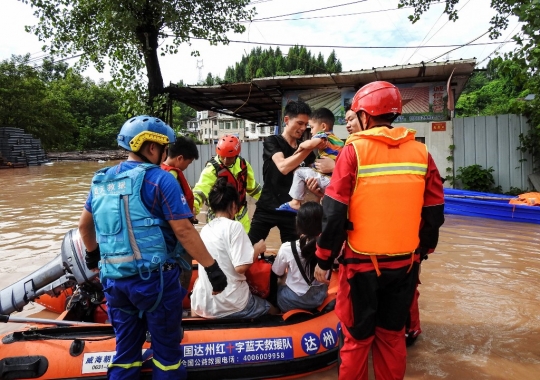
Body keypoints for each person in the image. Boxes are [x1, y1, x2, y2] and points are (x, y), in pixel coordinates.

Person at [78, 115, 227, 380]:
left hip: (114, 282)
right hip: (154, 282)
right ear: (151, 147)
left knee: (125, 354)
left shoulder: (101, 180)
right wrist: (212, 268)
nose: (165, 154)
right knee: (167, 356)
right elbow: (183, 230)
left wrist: (93, 257)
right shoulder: (160, 180)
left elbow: (84, 228)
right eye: (164, 148)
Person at [313, 81, 445, 380]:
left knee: (357, 340)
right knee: (391, 336)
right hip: (404, 265)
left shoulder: (353, 152)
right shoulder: (421, 152)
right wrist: (422, 252)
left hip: (361, 266)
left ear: (365, 116)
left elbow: (334, 213)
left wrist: (323, 258)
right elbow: (435, 212)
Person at [191, 178, 280, 318]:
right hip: (231, 303)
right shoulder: (235, 226)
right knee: (273, 310)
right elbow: (240, 267)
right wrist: (257, 249)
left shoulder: (206, 229)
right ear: (233, 205)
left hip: (204, 304)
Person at [248, 100, 328, 245]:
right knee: (248, 248)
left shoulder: (308, 154)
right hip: (267, 207)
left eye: (306, 124)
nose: (303, 128)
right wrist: (309, 147)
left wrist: (313, 187)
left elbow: (314, 184)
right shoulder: (273, 141)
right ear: (286, 120)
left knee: (296, 254)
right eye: (299, 123)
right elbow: (283, 167)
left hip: (292, 211)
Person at [276, 108, 344, 213]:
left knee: (298, 171)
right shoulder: (338, 141)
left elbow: (310, 144)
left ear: (323, 127)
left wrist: (301, 146)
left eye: (312, 127)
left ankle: (295, 202)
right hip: (336, 183)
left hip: (327, 181)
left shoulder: (323, 135)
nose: (310, 131)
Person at [192, 134, 261, 233]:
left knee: (244, 245)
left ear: (236, 155)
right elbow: (201, 189)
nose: (225, 160)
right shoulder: (212, 169)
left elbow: (252, 187)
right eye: (222, 157)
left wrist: (267, 200)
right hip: (219, 218)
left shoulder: (243, 165)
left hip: (241, 218)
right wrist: (194, 205)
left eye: (229, 157)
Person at [272, 201, 328, 312]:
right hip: (319, 298)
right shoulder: (331, 248)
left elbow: (277, 273)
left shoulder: (287, 248)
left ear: (298, 224)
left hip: (290, 302)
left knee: (280, 281)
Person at [160, 135, 199, 292]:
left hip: (166, 238)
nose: (187, 167)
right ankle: (177, 303)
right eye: (188, 163)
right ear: (180, 158)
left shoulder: (160, 171)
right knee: (183, 271)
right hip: (177, 238)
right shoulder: (171, 177)